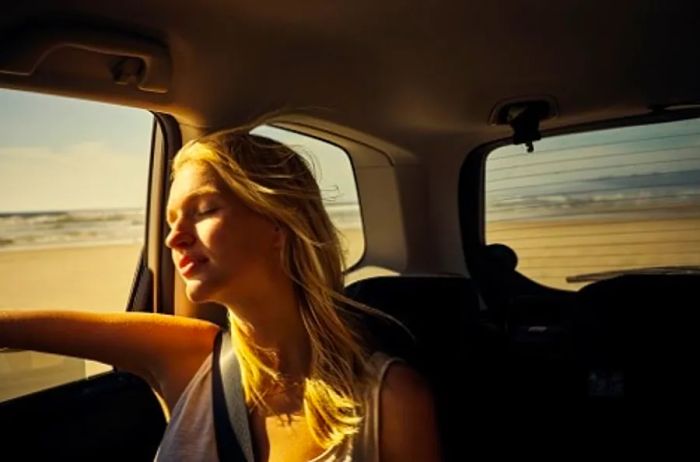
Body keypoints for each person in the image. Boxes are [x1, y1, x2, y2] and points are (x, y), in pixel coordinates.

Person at [0, 127, 442, 461]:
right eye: (172, 220)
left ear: (277, 223)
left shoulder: (390, 401)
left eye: (204, 210)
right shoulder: (185, 357)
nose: (175, 239)